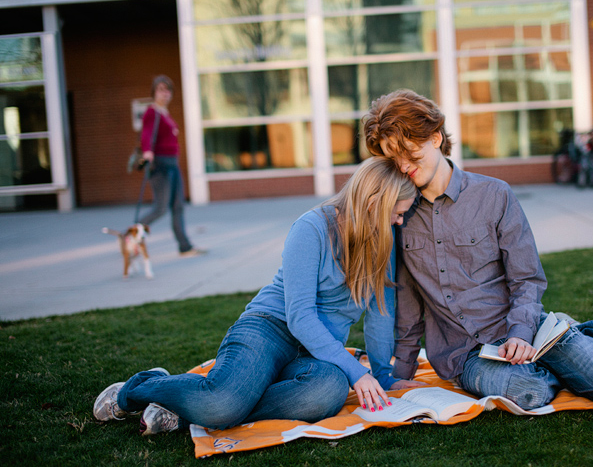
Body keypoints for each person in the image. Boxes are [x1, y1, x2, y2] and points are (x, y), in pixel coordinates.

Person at [93, 156, 421, 435]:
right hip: (270, 328)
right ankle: (135, 389)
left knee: (328, 392)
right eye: (396, 212)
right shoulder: (312, 228)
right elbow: (300, 316)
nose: (400, 220)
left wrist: (381, 376)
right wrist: (357, 372)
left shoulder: (384, 241)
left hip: (315, 355)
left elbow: (380, 313)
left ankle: (187, 410)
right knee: (221, 404)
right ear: (374, 202)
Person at [363, 89, 593, 410]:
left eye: (410, 153)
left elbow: (527, 278)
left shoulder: (494, 195)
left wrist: (521, 333)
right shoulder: (401, 217)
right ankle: (556, 361)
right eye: (393, 159)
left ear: (435, 138)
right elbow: (409, 301)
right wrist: (402, 371)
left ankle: (568, 337)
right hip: (464, 355)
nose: (403, 166)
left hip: (522, 330)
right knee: (529, 393)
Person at [138, 74, 204, 257]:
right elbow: (146, 134)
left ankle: (185, 247)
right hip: (161, 166)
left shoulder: (164, 113)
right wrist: (147, 151)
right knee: (160, 208)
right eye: (160, 89)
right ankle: (131, 235)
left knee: (178, 207)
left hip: (173, 165)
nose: (165, 93)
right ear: (154, 92)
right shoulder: (152, 112)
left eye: (168, 90)